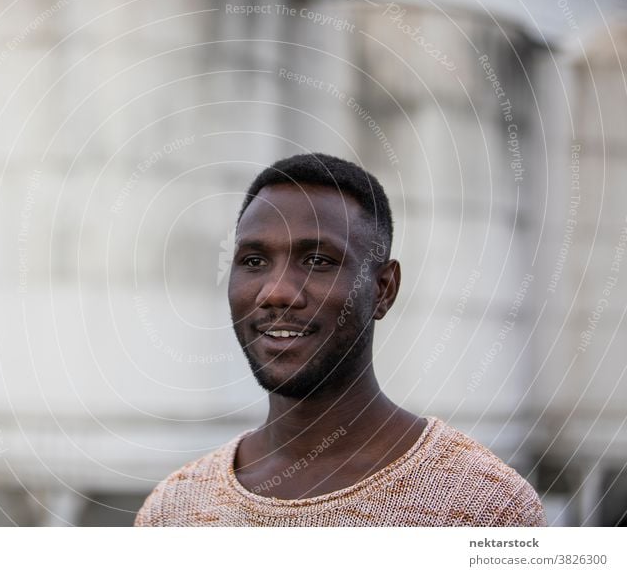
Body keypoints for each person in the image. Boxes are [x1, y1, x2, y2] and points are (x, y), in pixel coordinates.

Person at [134, 153, 546, 527]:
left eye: (318, 261)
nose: (276, 292)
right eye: (254, 262)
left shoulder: (483, 507)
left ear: (383, 289)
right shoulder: (174, 512)